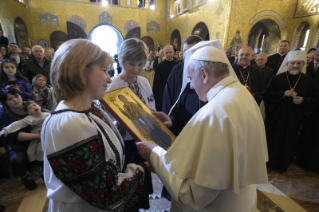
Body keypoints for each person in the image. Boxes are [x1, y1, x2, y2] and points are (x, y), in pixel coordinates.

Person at [137, 45, 268, 211]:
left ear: (204, 74)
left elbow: (192, 194)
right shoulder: (240, 93)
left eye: (191, 78)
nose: (191, 86)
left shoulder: (216, 112)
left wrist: (154, 153)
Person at [42, 39, 149, 212]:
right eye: (104, 70)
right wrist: (146, 167)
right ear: (81, 71)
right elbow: (106, 195)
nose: (108, 78)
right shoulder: (71, 123)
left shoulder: (88, 108)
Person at [107, 38, 155, 210]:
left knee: (142, 182)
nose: (136, 69)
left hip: (143, 139)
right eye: (131, 64)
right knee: (128, 182)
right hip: (124, 143)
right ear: (121, 61)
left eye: (141, 64)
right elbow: (107, 120)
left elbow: (150, 107)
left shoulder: (144, 82)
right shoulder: (112, 86)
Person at [264, 50, 319, 172]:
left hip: (295, 117)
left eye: (298, 63)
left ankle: (285, 163)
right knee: (274, 139)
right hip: (278, 116)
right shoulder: (277, 79)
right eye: (292, 63)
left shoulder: (309, 81)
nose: (295, 65)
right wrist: (282, 94)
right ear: (287, 64)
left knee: (290, 140)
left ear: (303, 64)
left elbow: (315, 99)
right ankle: (271, 162)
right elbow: (268, 95)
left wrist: (304, 100)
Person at [0, 88, 41, 190]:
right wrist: (38, 136)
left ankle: (43, 171)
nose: (15, 100)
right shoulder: (3, 114)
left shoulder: (30, 106)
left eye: (16, 96)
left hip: (36, 139)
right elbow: (11, 136)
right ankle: (24, 177)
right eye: (10, 99)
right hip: (16, 143)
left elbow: (44, 115)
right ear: (5, 102)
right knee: (18, 159)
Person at [162, 35, 204, 136]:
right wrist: (169, 120)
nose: (188, 56)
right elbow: (168, 98)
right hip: (176, 126)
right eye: (185, 51)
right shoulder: (176, 70)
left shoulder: (207, 73)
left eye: (192, 52)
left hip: (199, 129)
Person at [0, 101, 49, 179]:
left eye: (34, 105)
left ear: (39, 106)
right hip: (35, 138)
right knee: (30, 152)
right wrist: (6, 130)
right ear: (28, 112)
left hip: (45, 137)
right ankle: (35, 167)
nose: (33, 107)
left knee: (40, 150)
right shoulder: (29, 118)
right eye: (30, 108)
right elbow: (18, 124)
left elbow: (56, 121)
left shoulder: (48, 115)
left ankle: (38, 167)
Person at [153, 45, 179, 110]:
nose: (169, 54)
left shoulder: (178, 65)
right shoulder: (160, 67)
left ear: (173, 52)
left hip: (175, 94)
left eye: (170, 52)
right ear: (164, 53)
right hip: (163, 95)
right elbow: (156, 84)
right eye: (167, 52)